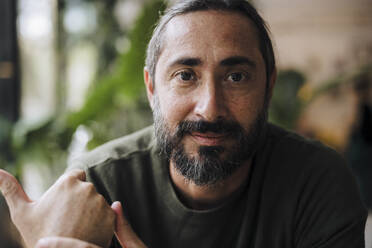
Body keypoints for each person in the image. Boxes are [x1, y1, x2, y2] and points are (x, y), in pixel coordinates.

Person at [0, 0, 368, 247]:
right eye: (185, 75)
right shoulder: (97, 186)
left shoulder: (318, 182)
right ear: (151, 88)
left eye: (236, 76)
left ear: (269, 86)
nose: (210, 109)